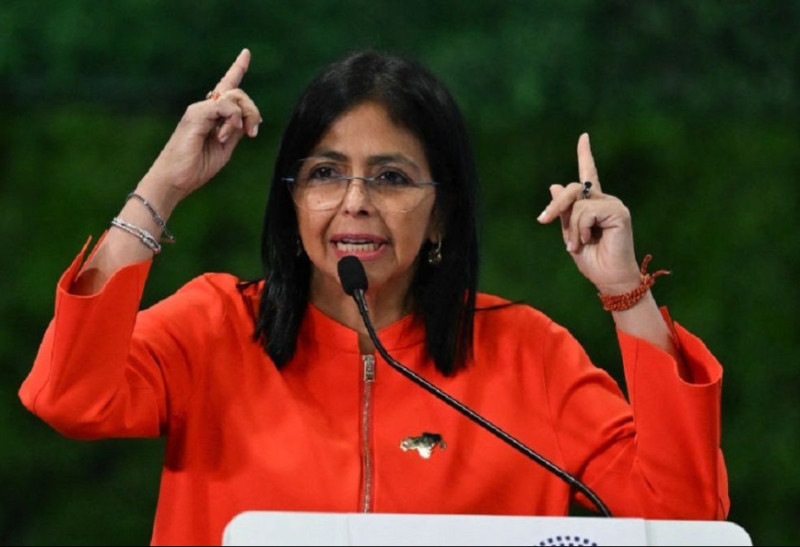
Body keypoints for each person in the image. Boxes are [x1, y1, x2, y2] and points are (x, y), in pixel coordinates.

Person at [19, 48, 730, 545]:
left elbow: (683, 516)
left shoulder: (529, 354)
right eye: (325, 173)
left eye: (391, 178)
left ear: (441, 213)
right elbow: (68, 396)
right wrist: (162, 187)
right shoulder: (213, 326)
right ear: (293, 200)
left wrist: (625, 291)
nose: (355, 201)